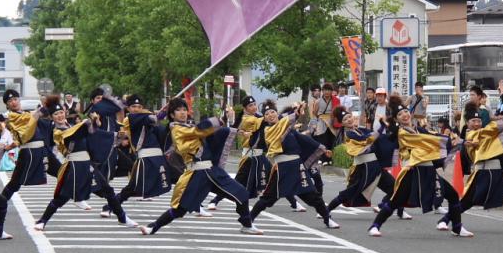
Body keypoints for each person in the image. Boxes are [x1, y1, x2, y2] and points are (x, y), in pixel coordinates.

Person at [140, 98, 262, 235]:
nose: (182, 112)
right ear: (172, 115)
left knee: (241, 193)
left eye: (184, 109)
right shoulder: (177, 129)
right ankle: (153, 226)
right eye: (178, 110)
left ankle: (247, 224)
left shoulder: (189, 127)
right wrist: (221, 119)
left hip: (212, 171)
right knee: (180, 209)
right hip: (197, 174)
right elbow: (198, 131)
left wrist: (229, 126)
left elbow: (209, 134)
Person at [436, 102, 503, 232]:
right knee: (467, 202)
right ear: (467, 123)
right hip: (483, 173)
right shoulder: (471, 134)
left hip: (497, 173)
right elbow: (492, 130)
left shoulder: (486, 133)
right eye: (473, 121)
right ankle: (444, 220)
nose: (476, 123)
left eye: (478, 121)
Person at [367, 101, 471, 238]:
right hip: (412, 171)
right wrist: (447, 140)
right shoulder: (403, 133)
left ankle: (457, 227)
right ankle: (375, 226)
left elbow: (432, 135)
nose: (404, 115)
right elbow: (425, 140)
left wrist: (459, 141)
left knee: (452, 195)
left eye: (405, 111)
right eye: (399, 114)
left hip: (428, 170)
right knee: (395, 201)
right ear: (396, 119)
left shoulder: (419, 129)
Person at [33, 103, 137, 229]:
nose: (59, 116)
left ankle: (122, 217)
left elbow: (92, 135)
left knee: (108, 191)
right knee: (62, 197)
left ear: (65, 112)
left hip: (88, 165)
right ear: (52, 117)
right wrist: (86, 124)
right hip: (75, 167)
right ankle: (43, 220)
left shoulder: (72, 125)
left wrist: (95, 124)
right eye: (55, 114)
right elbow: (73, 135)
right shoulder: (57, 131)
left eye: (61, 112)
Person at [249, 100, 340, 229]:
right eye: (267, 113)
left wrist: (322, 148)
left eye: (273, 112)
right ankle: (249, 220)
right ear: (264, 118)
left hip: (297, 168)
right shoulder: (269, 131)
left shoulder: (287, 129)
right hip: (282, 170)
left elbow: (303, 139)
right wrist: (296, 113)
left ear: (276, 113)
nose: (270, 114)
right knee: (268, 198)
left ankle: (327, 219)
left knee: (313, 196)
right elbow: (284, 124)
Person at [326, 111, 412, 220]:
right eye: (345, 119)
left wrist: (390, 130)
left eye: (349, 117)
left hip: (375, 165)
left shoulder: (360, 130)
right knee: (349, 193)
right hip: (363, 168)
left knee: (395, 187)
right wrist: (381, 128)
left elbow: (377, 137)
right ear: (342, 124)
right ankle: (326, 210)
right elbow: (368, 139)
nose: (349, 120)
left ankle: (398, 210)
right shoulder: (348, 134)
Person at [101, 94, 171, 216]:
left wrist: (167, 112)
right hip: (145, 159)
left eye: (139, 106)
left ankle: (193, 203)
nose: (136, 109)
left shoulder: (145, 117)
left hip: (158, 158)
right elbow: (149, 119)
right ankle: (110, 206)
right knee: (132, 189)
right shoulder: (131, 119)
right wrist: (158, 115)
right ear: (128, 108)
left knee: (179, 176)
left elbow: (157, 127)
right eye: (133, 106)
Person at [0, 89, 51, 201]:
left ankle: (77, 194)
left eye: (15, 99)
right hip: (29, 152)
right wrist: (40, 111)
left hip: (42, 149)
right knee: (15, 183)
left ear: (19, 99)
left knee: (60, 171)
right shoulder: (11, 117)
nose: (13, 102)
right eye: (10, 101)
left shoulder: (26, 113)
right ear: (7, 105)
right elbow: (25, 133)